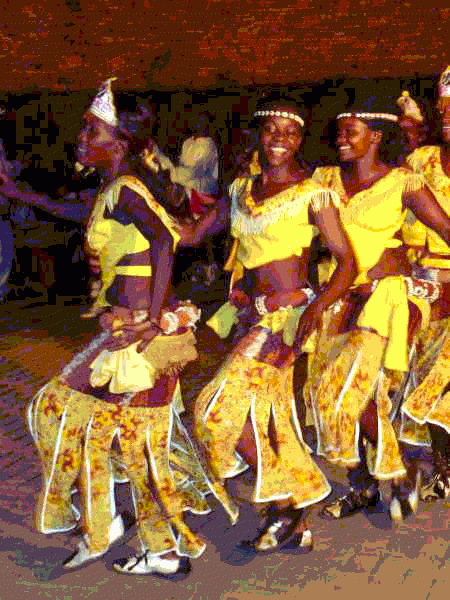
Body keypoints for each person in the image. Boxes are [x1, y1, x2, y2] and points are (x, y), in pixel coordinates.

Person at [27, 78, 233, 578]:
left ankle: (153, 543)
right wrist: (15, 191)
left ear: (117, 142)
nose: (81, 137)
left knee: (90, 425)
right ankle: (122, 532)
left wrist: (151, 322)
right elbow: (85, 214)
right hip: (123, 331)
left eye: (91, 130)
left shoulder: (126, 188)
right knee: (94, 428)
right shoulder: (117, 189)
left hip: (140, 338)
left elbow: (165, 242)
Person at [193, 95, 356, 560]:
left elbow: (346, 261)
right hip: (252, 317)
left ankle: (289, 499)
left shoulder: (313, 193)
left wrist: (313, 312)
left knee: (214, 409)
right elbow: (193, 234)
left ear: (301, 139)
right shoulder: (240, 191)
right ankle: (294, 503)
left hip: (288, 321)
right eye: (272, 130)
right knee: (262, 419)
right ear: (258, 135)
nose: (280, 139)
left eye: (291, 131)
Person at [308, 85, 450, 522]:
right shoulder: (323, 180)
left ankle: (401, 472)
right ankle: (365, 485)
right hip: (332, 299)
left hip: (383, 300)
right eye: (338, 132)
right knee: (335, 397)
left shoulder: (404, 182)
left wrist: (405, 269)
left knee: (351, 391)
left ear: (375, 137)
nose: (341, 139)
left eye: (351, 131)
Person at [399, 66, 450, 502]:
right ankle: (442, 468)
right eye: (444, 108)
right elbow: (399, 227)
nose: (448, 116)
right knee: (420, 377)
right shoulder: (421, 162)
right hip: (427, 289)